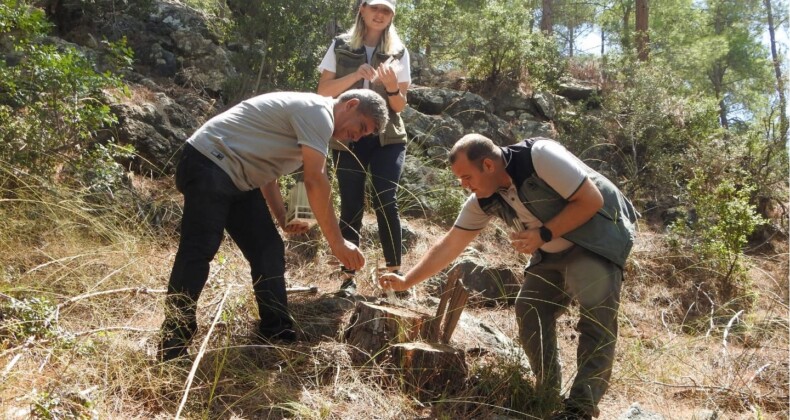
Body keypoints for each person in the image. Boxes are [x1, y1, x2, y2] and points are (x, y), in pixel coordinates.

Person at [379, 134, 638, 419]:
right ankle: (547, 393)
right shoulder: (482, 200)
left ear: (488, 165)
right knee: (530, 308)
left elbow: (591, 200)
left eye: (466, 177)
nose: (464, 185)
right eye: (460, 180)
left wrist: (542, 234)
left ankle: (579, 409)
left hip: (597, 240)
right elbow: (450, 244)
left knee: (596, 323)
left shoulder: (540, 157)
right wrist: (407, 281)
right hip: (551, 251)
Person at [159, 89, 389, 361]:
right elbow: (316, 181)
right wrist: (337, 243)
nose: (357, 137)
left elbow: (269, 175)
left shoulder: (317, 129)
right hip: (209, 161)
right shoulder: (318, 113)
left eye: (365, 135)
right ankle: (173, 343)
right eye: (361, 127)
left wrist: (282, 219)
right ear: (351, 105)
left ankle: (276, 333)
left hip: (239, 178)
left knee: (268, 249)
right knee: (199, 249)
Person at [317, 0, 411, 297]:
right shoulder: (341, 45)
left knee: (387, 200)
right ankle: (348, 278)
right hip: (348, 135)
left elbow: (400, 106)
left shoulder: (399, 51)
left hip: (388, 138)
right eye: (375, 8)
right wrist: (356, 75)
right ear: (363, 9)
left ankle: (395, 276)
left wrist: (392, 86)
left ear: (392, 16)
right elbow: (323, 92)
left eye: (386, 11)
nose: (380, 15)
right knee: (352, 203)